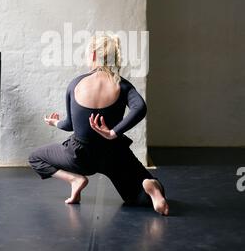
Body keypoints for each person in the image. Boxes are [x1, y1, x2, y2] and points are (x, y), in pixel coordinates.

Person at [28, 33, 169, 215]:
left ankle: (74, 180)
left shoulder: (76, 84)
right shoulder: (121, 85)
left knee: (35, 157)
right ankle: (152, 187)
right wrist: (113, 132)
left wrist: (55, 123)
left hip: (80, 157)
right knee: (137, 197)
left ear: (94, 55)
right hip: (113, 156)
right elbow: (140, 107)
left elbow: (70, 125)